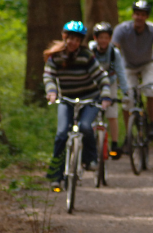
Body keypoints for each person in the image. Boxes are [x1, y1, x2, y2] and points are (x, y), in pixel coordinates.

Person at [43, 20, 112, 190]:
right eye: (70, 38)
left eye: (76, 39)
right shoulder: (55, 56)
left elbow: (101, 78)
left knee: (85, 127)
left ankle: (90, 159)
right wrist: (52, 91)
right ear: (64, 37)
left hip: (89, 99)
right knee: (61, 134)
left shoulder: (86, 56)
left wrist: (105, 96)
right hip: (67, 99)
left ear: (80, 41)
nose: (72, 42)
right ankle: (56, 176)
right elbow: (48, 76)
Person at [111, 0, 153, 141]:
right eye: (137, 14)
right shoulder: (121, 29)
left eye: (142, 14)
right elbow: (113, 52)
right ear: (132, 15)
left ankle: (152, 124)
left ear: (147, 17)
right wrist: (112, 72)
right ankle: (128, 135)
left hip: (148, 64)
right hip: (128, 66)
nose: (139, 17)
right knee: (126, 98)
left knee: (151, 89)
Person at [88, 22, 129, 159]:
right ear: (95, 38)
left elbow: (120, 72)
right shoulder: (90, 50)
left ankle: (115, 145)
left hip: (110, 84)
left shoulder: (114, 52)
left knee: (112, 114)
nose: (103, 40)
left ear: (110, 39)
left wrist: (125, 91)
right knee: (90, 112)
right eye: (101, 37)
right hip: (93, 84)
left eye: (106, 37)